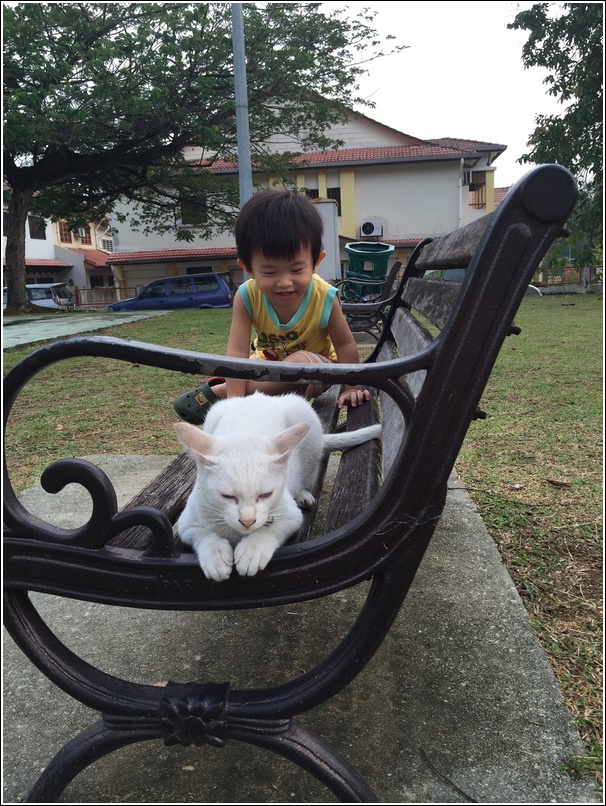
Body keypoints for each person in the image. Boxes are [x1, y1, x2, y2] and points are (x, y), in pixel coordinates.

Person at [173, 189, 371, 424]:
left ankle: (222, 392)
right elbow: (236, 353)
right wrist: (236, 408)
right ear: (248, 268)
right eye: (269, 272)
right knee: (248, 363)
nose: (285, 282)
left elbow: (345, 343)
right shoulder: (247, 296)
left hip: (316, 369)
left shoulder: (324, 295)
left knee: (297, 364)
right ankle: (235, 394)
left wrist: (351, 386)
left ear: (316, 262)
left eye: (297, 270)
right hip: (267, 365)